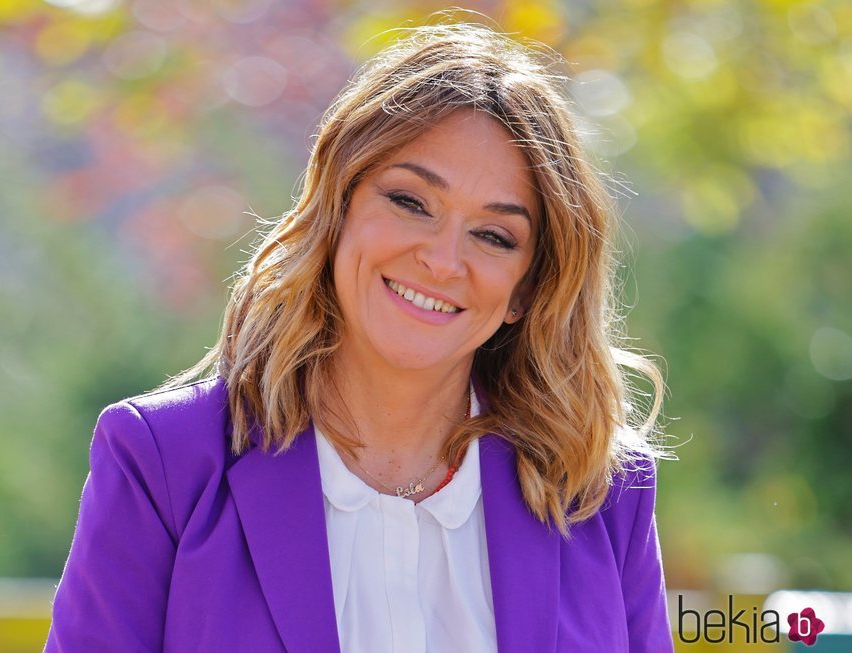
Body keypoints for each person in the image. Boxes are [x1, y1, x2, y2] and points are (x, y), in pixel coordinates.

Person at [45, 20, 674, 653]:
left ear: (527, 290)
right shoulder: (165, 462)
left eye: (494, 236)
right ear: (338, 208)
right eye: (410, 201)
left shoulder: (601, 493)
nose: (443, 261)